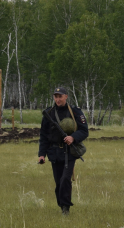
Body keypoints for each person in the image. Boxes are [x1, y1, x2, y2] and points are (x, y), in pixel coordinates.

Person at [37, 86, 89, 215]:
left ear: (66, 96)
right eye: (56, 96)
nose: (58, 99)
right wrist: (42, 155)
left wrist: (73, 137)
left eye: (60, 96)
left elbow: (84, 131)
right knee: (59, 182)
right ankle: (61, 205)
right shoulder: (48, 113)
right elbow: (43, 136)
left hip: (69, 151)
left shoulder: (75, 112)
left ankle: (66, 208)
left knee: (66, 179)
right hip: (54, 152)